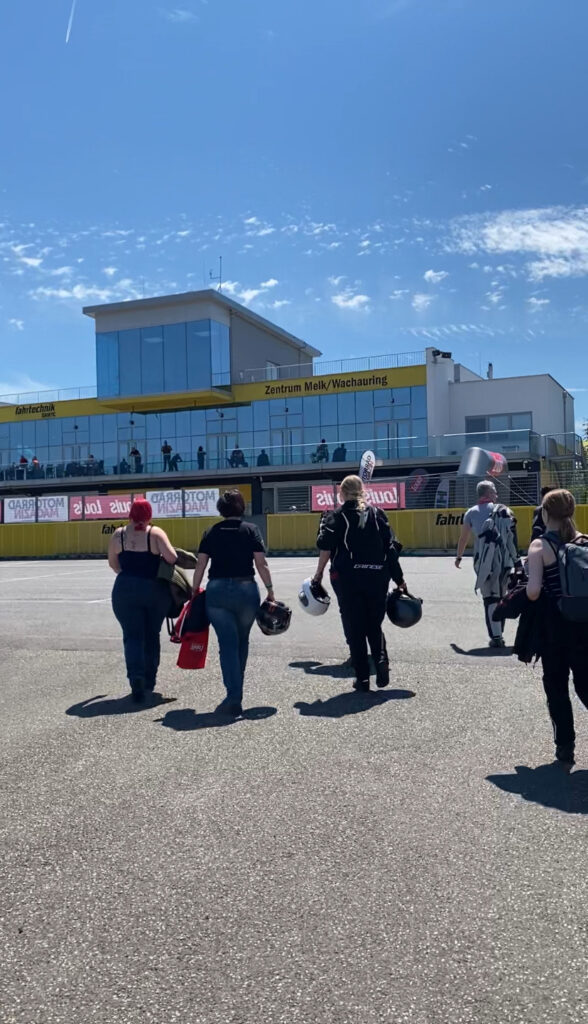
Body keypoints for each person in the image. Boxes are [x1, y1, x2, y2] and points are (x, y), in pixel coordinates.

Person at [313, 475, 406, 692]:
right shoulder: (377, 513)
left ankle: (362, 678)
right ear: (362, 490)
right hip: (377, 577)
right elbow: (390, 549)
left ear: (342, 493)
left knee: (355, 628)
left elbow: (323, 544)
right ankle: (381, 660)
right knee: (374, 624)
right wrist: (399, 579)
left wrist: (321, 527)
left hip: (348, 579)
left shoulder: (336, 515)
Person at [191, 489, 276, 717]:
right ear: (241, 507)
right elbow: (261, 563)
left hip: (217, 591)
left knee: (227, 644)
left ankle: (233, 695)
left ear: (221, 508)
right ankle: (236, 692)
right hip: (246, 590)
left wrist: (193, 590)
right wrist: (270, 590)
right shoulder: (251, 530)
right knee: (242, 641)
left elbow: (200, 565)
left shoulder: (211, 532)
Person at [526, 489, 588, 771]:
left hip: (554, 629)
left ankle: (565, 745)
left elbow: (534, 592)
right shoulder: (585, 542)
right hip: (584, 626)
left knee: (556, 685)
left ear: (545, 513)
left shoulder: (540, 546)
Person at [108, 498, 178, 702]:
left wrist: (129, 574)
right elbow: (172, 557)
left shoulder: (118, 534)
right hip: (153, 589)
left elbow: (113, 564)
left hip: (125, 589)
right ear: (149, 515)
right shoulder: (155, 533)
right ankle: (149, 680)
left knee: (132, 636)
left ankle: (135, 678)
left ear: (130, 514)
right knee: (151, 635)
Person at [455, 480, 518, 648]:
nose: (497, 495)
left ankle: (496, 636)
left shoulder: (471, 513)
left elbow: (463, 538)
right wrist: (516, 561)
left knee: (489, 597)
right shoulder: (505, 511)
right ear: (488, 494)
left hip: (482, 561)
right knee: (500, 596)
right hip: (504, 560)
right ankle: (499, 633)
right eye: (495, 492)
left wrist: (459, 557)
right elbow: (513, 537)